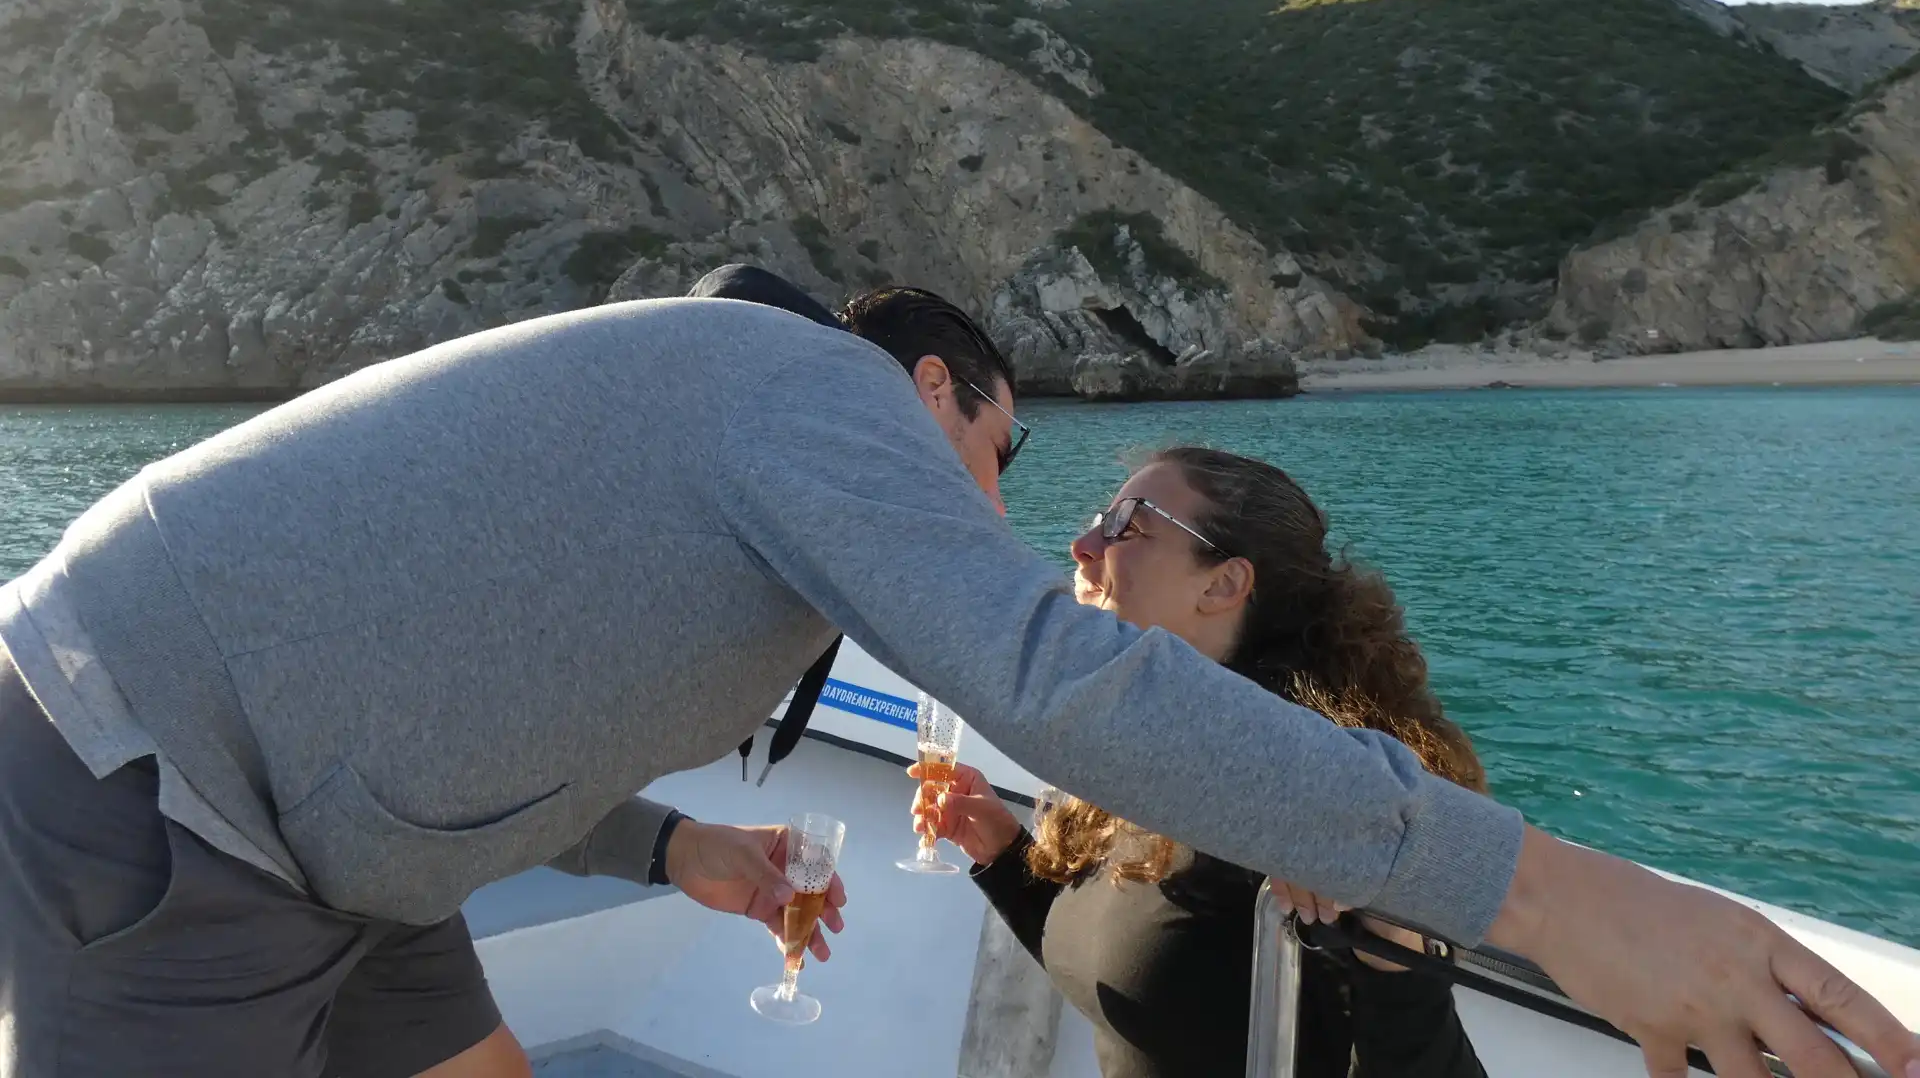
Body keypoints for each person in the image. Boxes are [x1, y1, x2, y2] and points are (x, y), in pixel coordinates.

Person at [0, 274, 1910, 1078]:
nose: (1011, 537)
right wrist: (1553, 891)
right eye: (1003, 473)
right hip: (151, 781)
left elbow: (457, 722)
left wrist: (686, 861)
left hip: (323, 827)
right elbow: (1056, 678)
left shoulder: (720, 477)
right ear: (930, 396)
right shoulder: (811, 391)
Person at [914, 446, 1488, 1078]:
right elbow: (1135, 972)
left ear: (1223, 584)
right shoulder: (1138, 761)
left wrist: (1394, 949)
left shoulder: (1313, 800)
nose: (1082, 545)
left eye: (1125, 524)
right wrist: (1002, 853)